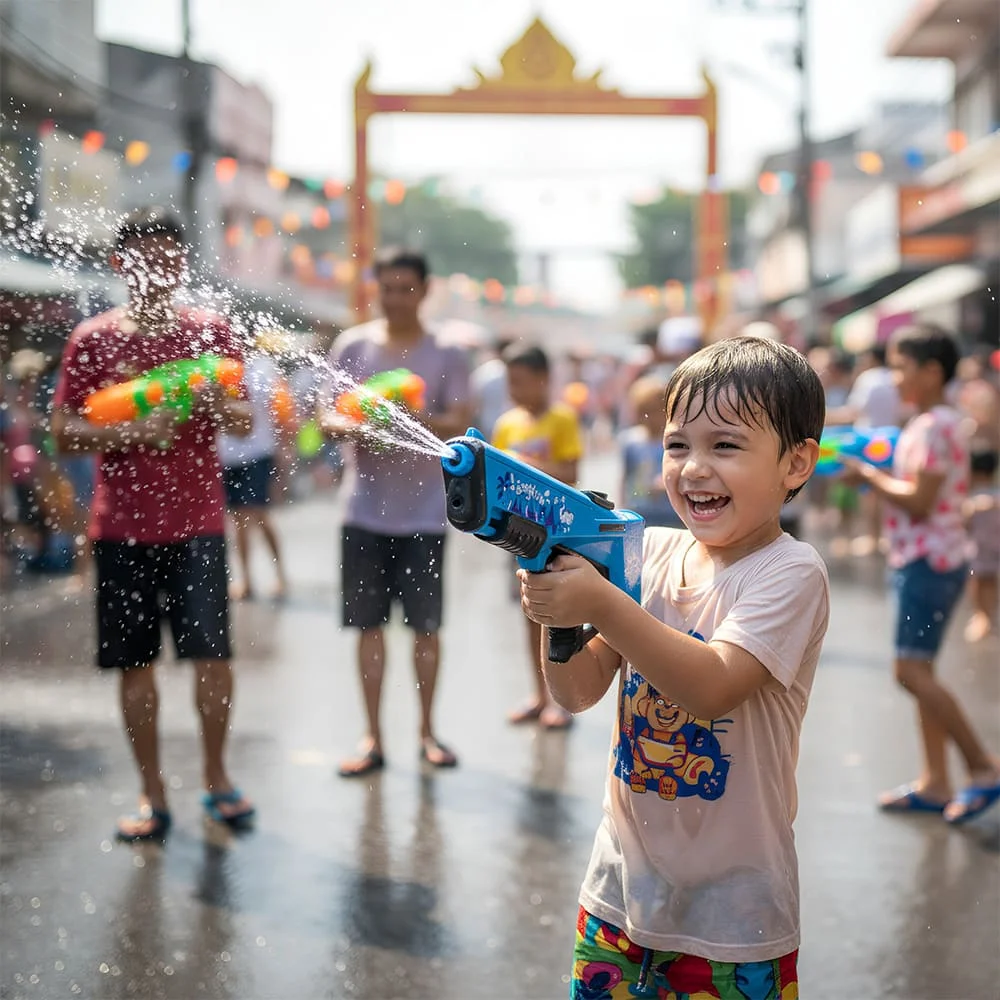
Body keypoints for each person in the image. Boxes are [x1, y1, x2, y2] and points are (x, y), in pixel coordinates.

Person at [519, 336, 829, 997]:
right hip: (617, 898)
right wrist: (563, 617)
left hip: (735, 919)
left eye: (726, 446)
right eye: (677, 444)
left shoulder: (790, 572)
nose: (692, 468)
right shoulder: (650, 553)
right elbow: (576, 691)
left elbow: (712, 687)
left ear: (796, 463)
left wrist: (598, 597)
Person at [51, 207, 256, 841]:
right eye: (143, 257)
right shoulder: (92, 339)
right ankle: (152, 792)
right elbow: (63, 431)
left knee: (212, 660)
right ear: (120, 265)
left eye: (168, 257)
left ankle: (217, 779)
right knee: (134, 665)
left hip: (198, 525)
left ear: (182, 263)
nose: (156, 269)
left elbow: (247, 422)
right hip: (121, 531)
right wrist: (132, 428)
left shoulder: (212, 334)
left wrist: (222, 402)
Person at [318, 248, 472, 777]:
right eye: (387, 288)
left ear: (425, 290)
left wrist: (416, 419)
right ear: (375, 289)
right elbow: (327, 418)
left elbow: (462, 423)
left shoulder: (448, 351)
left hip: (427, 514)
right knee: (368, 628)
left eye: (406, 288)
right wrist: (361, 427)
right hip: (363, 510)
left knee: (426, 629)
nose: (396, 298)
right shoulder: (352, 345)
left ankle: (428, 731)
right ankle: (372, 736)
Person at [842, 323, 1000, 824]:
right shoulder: (933, 421)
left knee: (909, 671)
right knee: (921, 672)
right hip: (930, 558)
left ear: (933, 372)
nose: (894, 377)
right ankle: (936, 780)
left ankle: (983, 766)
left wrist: (868, 476)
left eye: (902, 366)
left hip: (928, 561)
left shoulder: (933, 426)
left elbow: (921, 499)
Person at [492, 343, 584, 730]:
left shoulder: (562, 419)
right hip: (515, 535)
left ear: (543, 379)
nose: (515, 390)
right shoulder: (507, 423)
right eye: (510, 382)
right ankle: (538, 693)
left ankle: (562, 700)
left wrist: (527, 465)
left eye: (522, 381)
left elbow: (571, 471)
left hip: (554, 533)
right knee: (528, 615)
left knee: (558, 618)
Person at [217, 342, 289, 600]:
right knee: (239, 519)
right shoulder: (216, 370)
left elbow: (281, 412)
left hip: (259, 454)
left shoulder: (262, 368)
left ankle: (279, 573)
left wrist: (283, 453)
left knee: (257, 514)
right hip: (227, 456)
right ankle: (246, 577)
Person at [618, 375, 683, 529]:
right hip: (639, 511)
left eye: (653, 411)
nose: (648, 418)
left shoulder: (675, 441)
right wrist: (621, 507)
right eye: (642, 412)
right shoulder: (630, 441)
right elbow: (625, 477)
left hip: (671, 514)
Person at [963, 449, 999, 643]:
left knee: (977, 583)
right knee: (991, 582)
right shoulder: (996, 495)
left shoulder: (973, 498)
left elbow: (964, 522)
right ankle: (988, 615)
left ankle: (981, 614)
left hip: (977, 549)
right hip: (994, 549)